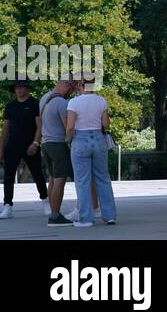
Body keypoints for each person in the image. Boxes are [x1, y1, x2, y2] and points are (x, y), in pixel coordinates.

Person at [64, 74, 116, 227]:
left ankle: (86, 218)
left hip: (80, 139)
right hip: (98, 140)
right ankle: (110, 216)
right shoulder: (101, 101)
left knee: (82, 181)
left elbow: (70, 127)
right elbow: (106, 124)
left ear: (80, 84)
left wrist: (69, 141)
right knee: (103, 179)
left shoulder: (74, 102)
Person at [1, 79, 49, 219]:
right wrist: (1, 148)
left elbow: (40, 125)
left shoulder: (34, 103)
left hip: (30, 144)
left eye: (22, 87)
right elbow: (5, 129)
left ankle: (45, 201)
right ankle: (7, 206)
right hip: (12, 145)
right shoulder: (10, 106)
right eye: (17, 87)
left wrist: (35, 143)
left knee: (37, 174)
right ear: (14, 89)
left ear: (27, 88)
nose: (20, 90)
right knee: (8, 176)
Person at [39, 77, 74, 225]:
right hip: (58, 145)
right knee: (60, 181)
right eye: (71, 88)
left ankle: (54, 213)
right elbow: (68, 126)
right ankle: (54, 216)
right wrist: (71, 142)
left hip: (46, 143)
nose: (71, 92)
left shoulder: (44, 98)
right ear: (65, 84)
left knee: (52, 180)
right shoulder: (61, 102)